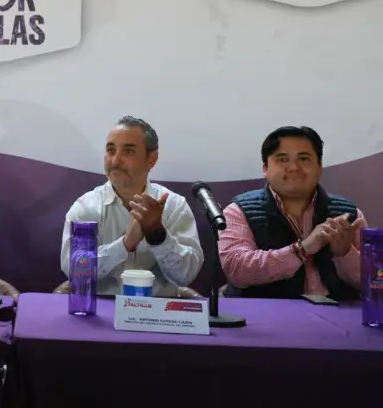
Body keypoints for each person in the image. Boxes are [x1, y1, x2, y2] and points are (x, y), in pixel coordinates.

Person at [60, 116, 204, 296]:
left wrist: (158, 236)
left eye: (128, 152)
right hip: (100, 308)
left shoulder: (174, 206)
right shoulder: (86, 207)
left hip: (158, 310)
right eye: (111, 150)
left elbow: (186, 276)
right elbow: (72, 269)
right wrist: (124, 244)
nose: (115, 161)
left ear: (151, 159)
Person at [218, 126, 366, 300]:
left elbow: (373, 280)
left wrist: (345, 253)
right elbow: (236, 270)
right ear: (265, 168)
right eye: (282, 159)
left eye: (303, 158)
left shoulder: (349, 214)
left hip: (339, 311)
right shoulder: (238, 211)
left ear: (319, 166)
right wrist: (302, 249)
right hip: (267, 312)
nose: (294, 167)